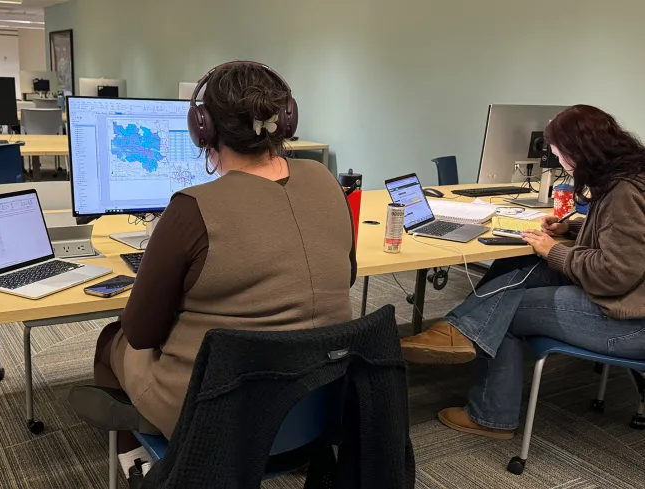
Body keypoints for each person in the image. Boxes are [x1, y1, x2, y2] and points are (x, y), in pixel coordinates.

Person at [72, 62, 357, 465]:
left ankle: (140, 463)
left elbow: (140, 332)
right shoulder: (327, 180)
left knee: (112, 339)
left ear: (202, 127)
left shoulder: (192, 208)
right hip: (319, 402)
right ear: (287, 119)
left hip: (219, 414)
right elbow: (345, 277)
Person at [400, 105, 645, 439]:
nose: (560, 164)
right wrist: (572, 229)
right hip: (626, 303)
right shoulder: (628, 178)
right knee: (521, 265)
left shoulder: (623, 192)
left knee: (505, 312)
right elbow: (624, 240)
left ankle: (490, 415)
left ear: (579, 152)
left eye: (560, 155)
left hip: (629, 322)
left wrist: (554, 251)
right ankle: (457, 330)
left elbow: (615, 273)